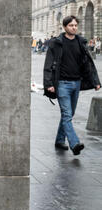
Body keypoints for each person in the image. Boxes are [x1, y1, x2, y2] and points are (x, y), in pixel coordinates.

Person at [43, 16, 101, 155]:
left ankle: (59, 140)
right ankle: (74, 144)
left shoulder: (81, 42)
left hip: (77, 83)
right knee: (67, 114)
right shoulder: (56, 43)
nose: (74, 28)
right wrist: (48, 84)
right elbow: (48, 65)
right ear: (64, 27)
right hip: (62, 84)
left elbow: (88, 64)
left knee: (68, 114)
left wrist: (95, 81)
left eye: (75, 25)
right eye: (71, 25)